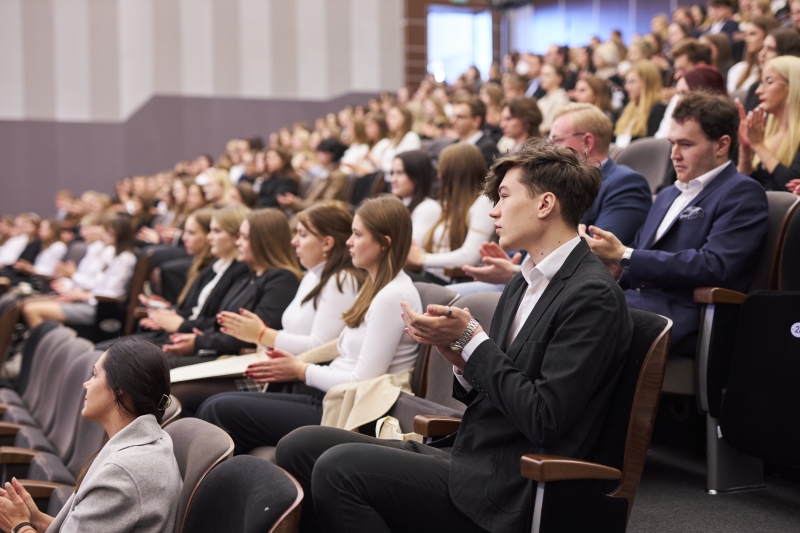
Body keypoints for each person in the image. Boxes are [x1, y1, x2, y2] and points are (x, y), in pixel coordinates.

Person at [275, 140, 633, 533]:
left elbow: (544, 419)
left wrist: (473, 341)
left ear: (545, 205)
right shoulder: (525, 282)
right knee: (301, 444)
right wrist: (458, 355)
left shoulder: (591, 294)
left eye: (504, 197)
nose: (493, 210)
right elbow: (500, 383)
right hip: (472, 454)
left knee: (337, 469)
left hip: (512, 481)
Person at [196, 196, 422, 454]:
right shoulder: (376, 286)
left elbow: (362, 379)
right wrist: (294, 362)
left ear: (384, 243)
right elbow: (339, 349)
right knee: (215, 404)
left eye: (357, 235)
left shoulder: (392, 295)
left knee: (217, 408)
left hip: (347, 409)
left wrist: (301, 369)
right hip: (330, 397)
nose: (349, 242)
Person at [581, 91, 769, 355]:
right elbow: (634, 259)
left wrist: (625, 255)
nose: (674, 155)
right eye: (672, 143)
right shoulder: (668, 194)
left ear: (722, 145)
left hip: (688, 315)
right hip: (638, 302)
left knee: (580, 312)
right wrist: (613, 264)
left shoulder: (741, 192)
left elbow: (716, 265)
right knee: (561, 300)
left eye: (686, 145)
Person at [173, 202, 365, 415]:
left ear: (327, 243)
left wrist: (263, 335)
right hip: (278, 368)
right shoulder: (312, 276)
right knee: (174, 383)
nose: (294, 242)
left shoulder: (341, 280)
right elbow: (290, 334)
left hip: (301, 381)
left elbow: (320, 346)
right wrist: (262, 341)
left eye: (302, 235)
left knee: (188, 395)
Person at [454, 103, 652, 295]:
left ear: (587, 142)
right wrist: (511, 262)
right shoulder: (551, 181)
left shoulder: (625, 184)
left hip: (562, 289)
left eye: (556, 140)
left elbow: (597, 254)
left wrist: (513, 272)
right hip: (525, 280)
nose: (550, 147)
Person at [0, 337, 181, 533]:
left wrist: (18, 525)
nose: (86, 384)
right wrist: (37, 519)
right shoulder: (151, 442)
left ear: (119, 390)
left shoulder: (122, 473)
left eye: (95, 375)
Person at [163, 208, 301, 365]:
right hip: (220, 351)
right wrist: (199, 337)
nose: (237, 242)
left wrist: (199, 341)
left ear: (263, 242)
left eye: (244, 237)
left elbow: (250, 336)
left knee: (157, 364)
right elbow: (222, 323)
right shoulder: (251, 276)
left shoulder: (281, 279)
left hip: (242, 362)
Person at [22, 216, 137, 329]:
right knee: (26, 304)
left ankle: (48, 345)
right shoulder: (113, 255)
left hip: (99, 308)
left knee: (32, 310)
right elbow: (97, 284)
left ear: (116, 234)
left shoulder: (124, 258)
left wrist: (82, 295)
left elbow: (112, 294)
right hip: (89, 301)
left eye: (107, 232)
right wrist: (74, 291)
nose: (104, 235)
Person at [405, 144, 494, 284]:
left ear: (456, 172)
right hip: (433, 276)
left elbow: (470, 256)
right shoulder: (451, 203)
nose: (439, 175)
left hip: (457, 280)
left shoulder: (483, 203)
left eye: (442, 169)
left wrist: (423, 259)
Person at [737, 56, 800, 192]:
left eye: (769, 81)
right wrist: (745, 148)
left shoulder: (760, 139)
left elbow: (791, 186)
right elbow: (741, 187)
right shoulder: (764, 131)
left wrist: (759, 146)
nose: (758, 90)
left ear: (793, 86)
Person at [655, 39, 713, 138]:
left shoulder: (716, 104)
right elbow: (661, 136)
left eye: (682, 69)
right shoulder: (677, 98)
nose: (676, 76)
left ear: (700, 67)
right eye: (676, 70)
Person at [278, 139, 348, 213]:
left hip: (321, 214)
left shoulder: (337, 175)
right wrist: (296, 201)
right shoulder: (324, 171)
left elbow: (326, 202)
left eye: (323, 152)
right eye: (319, 152)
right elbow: (312, 199)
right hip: (311, 210)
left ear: (333, 154)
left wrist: (296, 203)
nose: (319, 155)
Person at [389, 151, 441, 244]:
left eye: (400, 173)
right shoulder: (397, 205)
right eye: (392, 173)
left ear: (417, 175)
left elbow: (411, 247)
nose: (393, 179)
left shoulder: (428, 207)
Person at [743, 28, 800, 112]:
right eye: (762, 48)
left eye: (770, 49)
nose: (762, 54)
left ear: (786, 53)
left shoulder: (795, 90)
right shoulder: (754, 88)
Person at [614, 60, 666, 148]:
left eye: (632, 82)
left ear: (648, 83)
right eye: (626, 82)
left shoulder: (658, 109)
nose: (626, 87)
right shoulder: (627, 108)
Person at [727, 16, 779, 93]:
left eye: (752, 34)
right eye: (745, 35)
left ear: (768, 35)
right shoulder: (738, 69)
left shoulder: (777, 73)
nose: (746, 39)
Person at [448, 96, 500, 169]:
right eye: (453, 116)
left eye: (460, 117)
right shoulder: (454, 144)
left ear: (476, 121)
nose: (452, 121)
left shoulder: (487, 149)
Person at [376, 106, 421, 174]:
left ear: (404, 118)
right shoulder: (393, 140)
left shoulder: (411, 137)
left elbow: (404, 166)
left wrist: (379, 164)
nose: (388, 120)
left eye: (393, 116)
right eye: (388, 117)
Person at [536, 64, 572, 135]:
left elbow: (552, 127)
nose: (542, 78)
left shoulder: (561, 100)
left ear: (558, 78)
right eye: (542, 75)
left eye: (547, 75)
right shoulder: (541, 100)